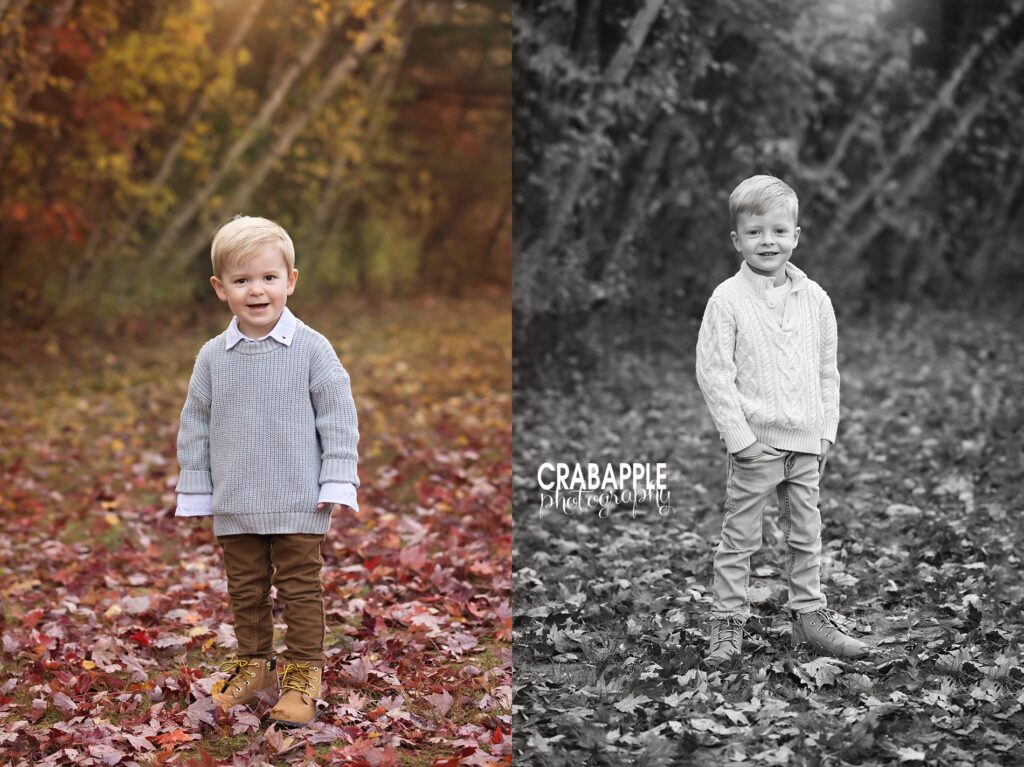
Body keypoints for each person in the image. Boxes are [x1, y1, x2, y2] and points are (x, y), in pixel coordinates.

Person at [175, 215, 360, 725]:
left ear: (291, 280)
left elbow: (338, 414)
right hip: (237, 496)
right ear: (220, 288)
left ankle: (304, 672)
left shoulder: (311, 348)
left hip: (300, 495)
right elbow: (196, 424)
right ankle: (254, 662)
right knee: (246, 586)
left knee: (300, 585)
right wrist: (197, 485)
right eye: (242, 280)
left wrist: (337, 477)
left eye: (268, 278)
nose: (257, 291)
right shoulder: (213, 357)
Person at [694, 175, 868, 665]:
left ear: (796, 234)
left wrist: (825, 431)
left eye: (777, 231)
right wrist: (741, 439)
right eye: (754, 233)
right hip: (756, 446)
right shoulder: (727, 300)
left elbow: (826, 370)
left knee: (806, 534)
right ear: (737, 240)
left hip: (806, 443)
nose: (766, 241)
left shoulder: (816, 300)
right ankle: (727, 624)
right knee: (740, 539)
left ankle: (810, 616)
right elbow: (713, 373)